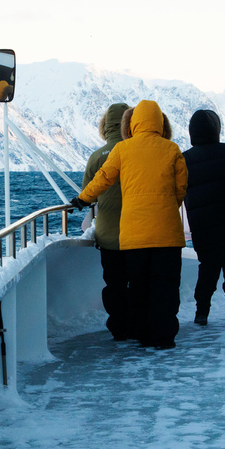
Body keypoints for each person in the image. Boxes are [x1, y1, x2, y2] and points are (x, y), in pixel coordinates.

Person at [71, 100, 187, 349]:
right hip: (168, 235)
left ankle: (142, 335)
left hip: (134, 235)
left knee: (139, 287)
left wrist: (83, 199)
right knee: (166, 287)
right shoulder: (172, 149)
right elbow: (181, 189)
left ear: (132, 123)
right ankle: (164, 337)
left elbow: (102, 179)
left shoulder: (123, 150)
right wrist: (167, 207)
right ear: (161, 122)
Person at [182, 110, 225, 327]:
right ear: (216, 130)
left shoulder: (186, 159)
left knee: (207, 270)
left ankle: (201, 313)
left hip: (203, 228)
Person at [81, 103, 131, 339]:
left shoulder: (96, 157)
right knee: (139, 281)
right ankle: (139, 325)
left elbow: (87, 192)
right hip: (137, 231)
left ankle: (119, 327)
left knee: (114, 283)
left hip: (108, 233)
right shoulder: (135, 150)